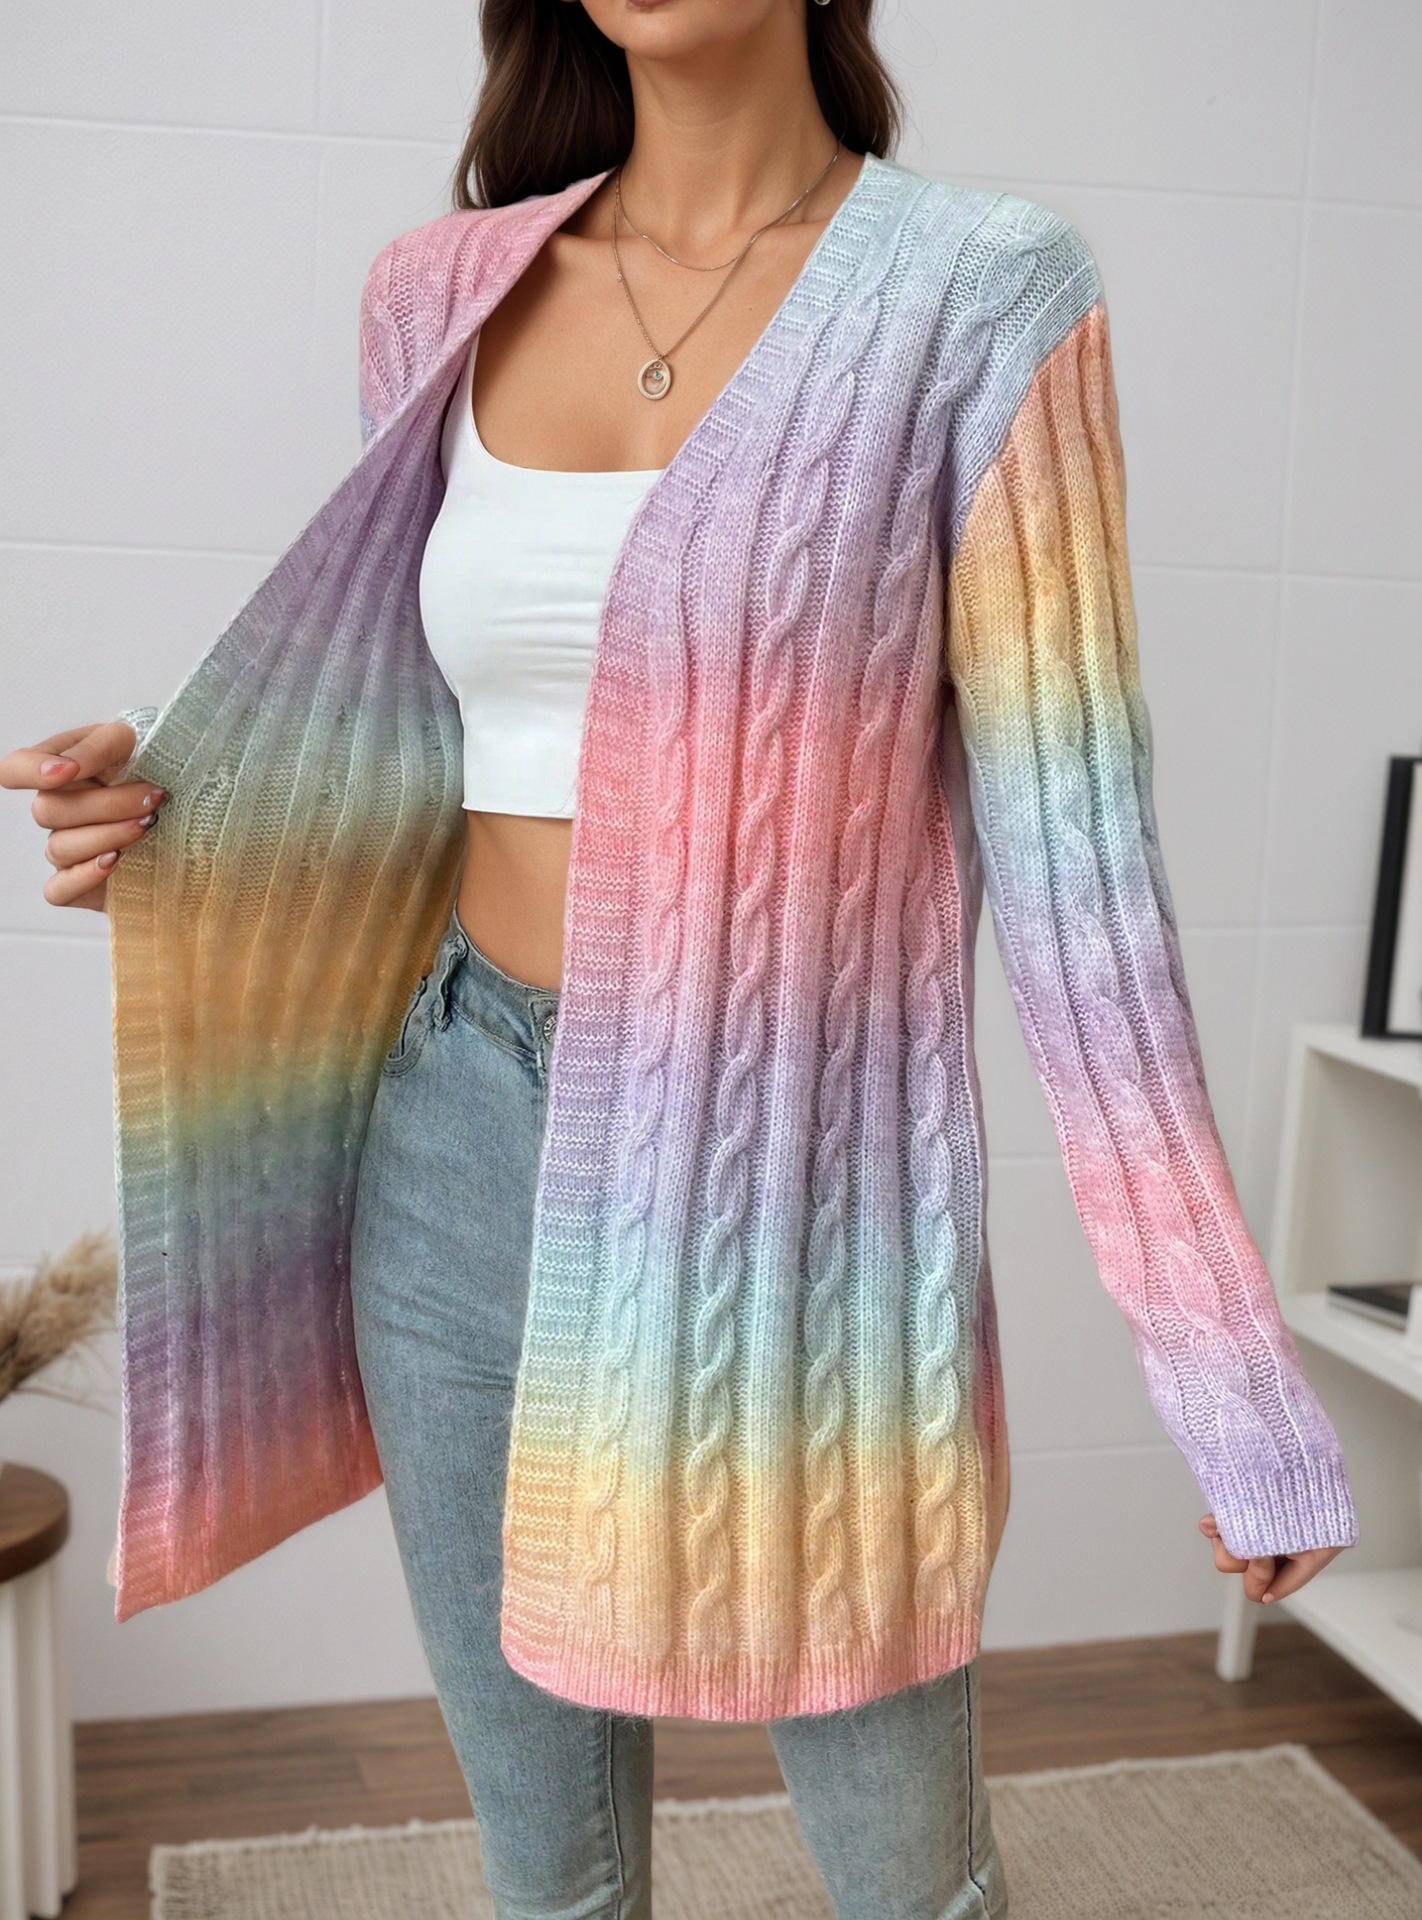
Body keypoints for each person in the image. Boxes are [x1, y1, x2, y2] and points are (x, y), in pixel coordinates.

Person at [1, 2, 1357, 1915]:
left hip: (788, 1198)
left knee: (908, 1883)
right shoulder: (440, 290)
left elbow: (1082, 875)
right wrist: (178, 790)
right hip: (448, 1130)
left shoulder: (976, 288)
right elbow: (429, 721)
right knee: (548, 1877)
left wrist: (1229, 1377)